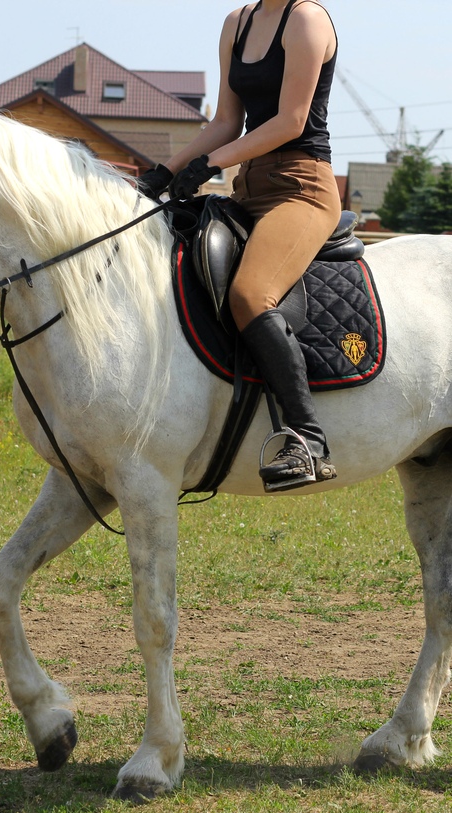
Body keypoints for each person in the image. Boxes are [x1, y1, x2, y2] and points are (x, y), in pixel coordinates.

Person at [137, 0, 341, 493]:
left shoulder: (308, 20)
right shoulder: (237, 22)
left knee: (250, 294)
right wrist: (164, 172)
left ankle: (308, 439)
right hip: (248, 188)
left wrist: (211, 164)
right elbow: (227, 119)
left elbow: (291, 121)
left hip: (302, 189)